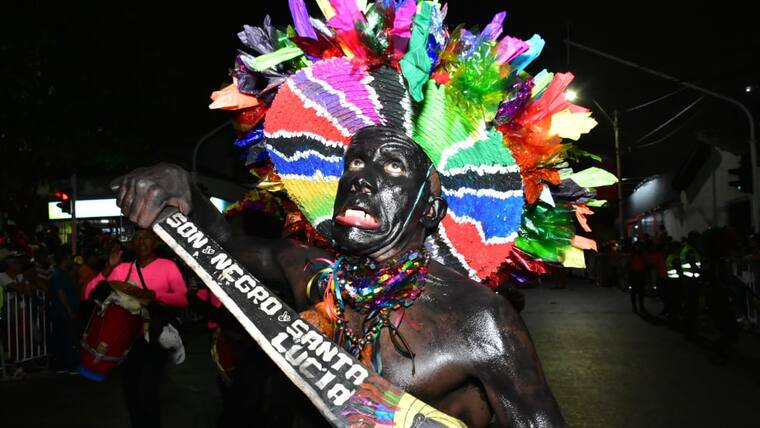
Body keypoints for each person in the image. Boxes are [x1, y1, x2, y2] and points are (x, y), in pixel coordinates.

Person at [109, 3, 613, 426]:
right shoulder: (310, 273)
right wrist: (182, 185)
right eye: (355, 162)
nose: (362, 179)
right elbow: (222, 241)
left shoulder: (479, 320)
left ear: (431, 209)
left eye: (392, 166)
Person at [84, 229, 188, 428]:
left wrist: (151, 295)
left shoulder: (168, 266)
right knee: (130, 391)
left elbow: (182, 298)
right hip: (128, 342)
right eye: (137, 238)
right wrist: (108, 268)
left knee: (147, 391)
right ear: (131, 244)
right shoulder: (123, 269)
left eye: (146, 238)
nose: (141, 242)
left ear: (155, 242)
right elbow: (89, 293)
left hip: (154, 337)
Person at [48, 247, 80, 373]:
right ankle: (69, 364)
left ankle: (63, 365)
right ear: (65, 259)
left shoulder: (64, 274)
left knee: (65, 337)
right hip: (63, 311)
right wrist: (68, 309)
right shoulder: (57, 274)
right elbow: (60, 293)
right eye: (70, 258)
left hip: (66, 309)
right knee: (68, 337)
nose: (72, 261)